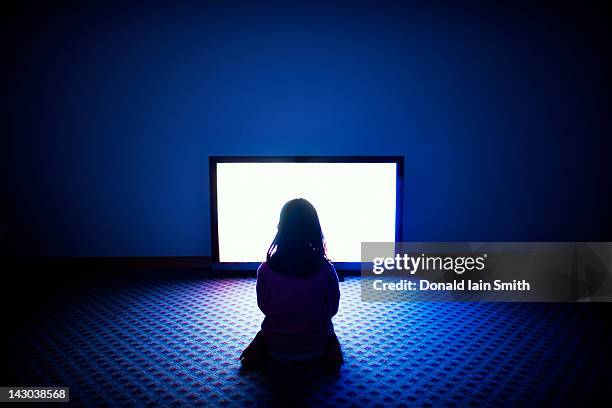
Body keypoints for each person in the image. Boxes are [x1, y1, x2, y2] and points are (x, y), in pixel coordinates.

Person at [239, 198, 344, 374]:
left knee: (270, 326)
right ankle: (331, 348)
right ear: (315, 230)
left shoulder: (265, 269)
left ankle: (260, 344)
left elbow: (264, 307)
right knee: (327, 326)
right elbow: (332, 309)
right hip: (315, 349)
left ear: (281, 228)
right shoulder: (326, 269)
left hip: (277, 349)